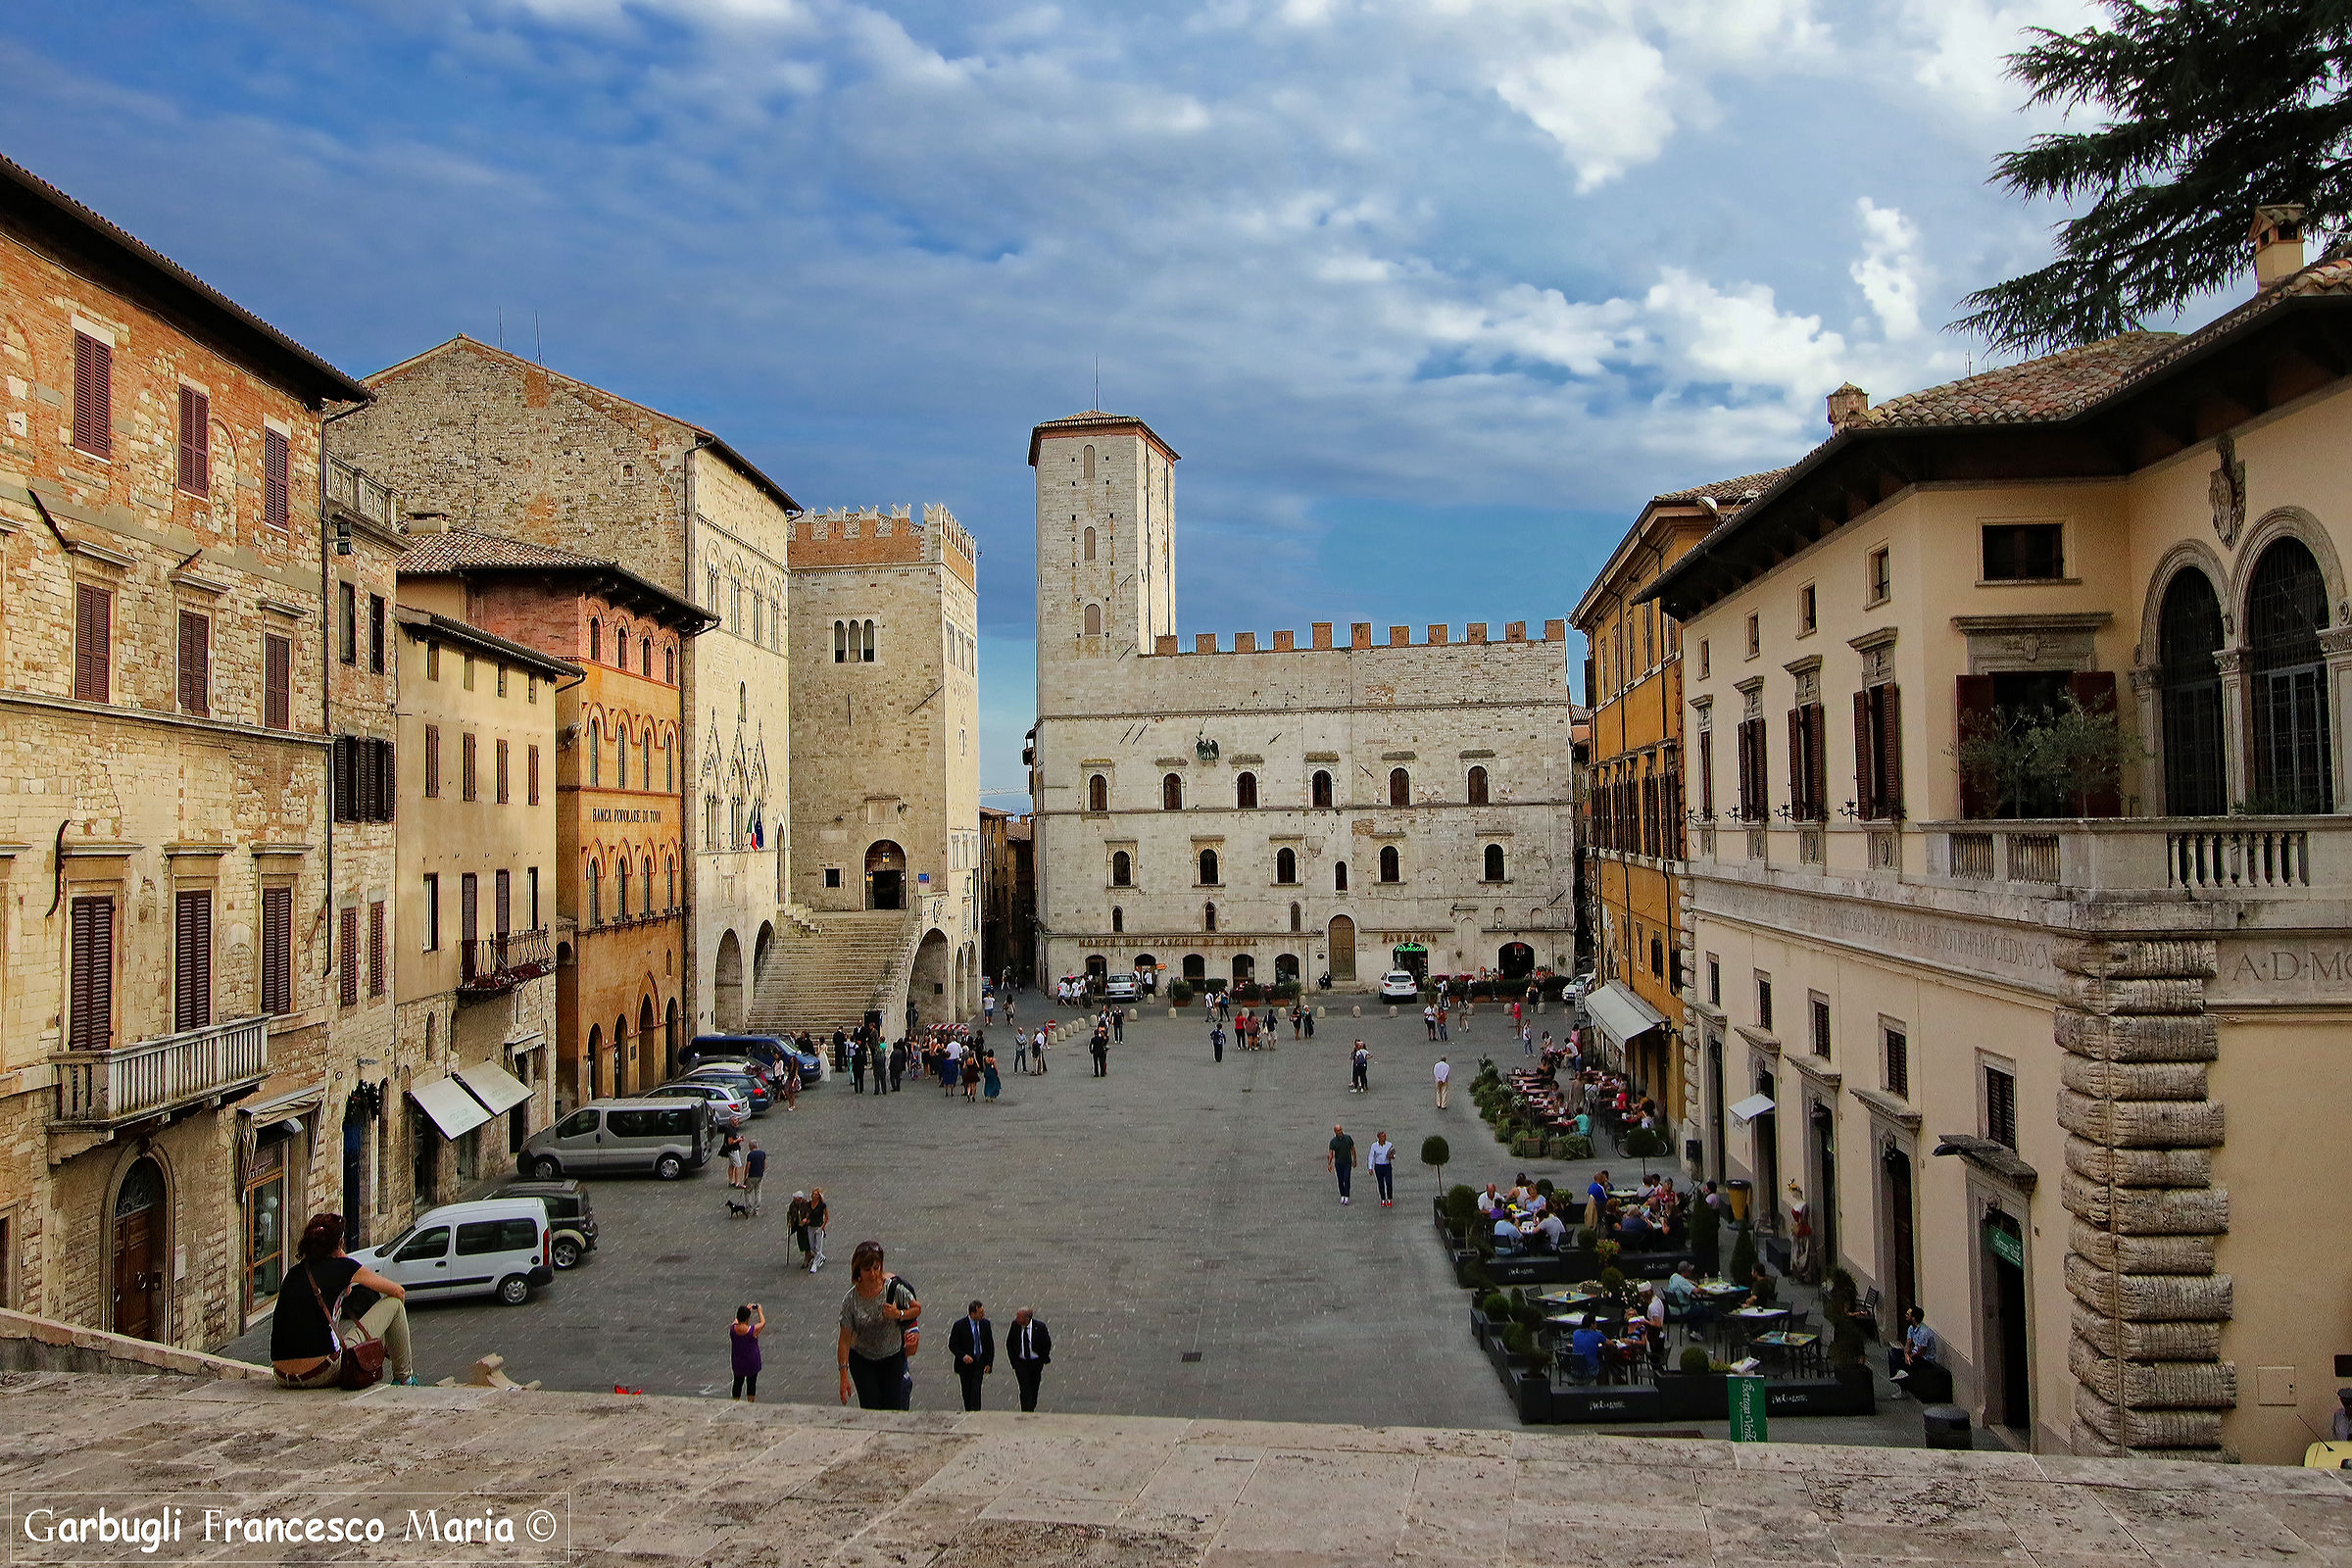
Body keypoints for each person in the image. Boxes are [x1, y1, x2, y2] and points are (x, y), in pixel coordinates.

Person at [270, 1212, 416, 1388]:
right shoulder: (344, 1267)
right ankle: (404, 1378)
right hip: (321, 1372)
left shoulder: (292, 1274)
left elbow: (344, 1291)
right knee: (394, 1304)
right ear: (339, 1243)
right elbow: (398, 1291)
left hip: (282, 1375)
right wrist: (344, 1258)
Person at [838, 1241, 920, 1410]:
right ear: (858, 1271)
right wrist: (843, 1376)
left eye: (876, 1268)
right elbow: (844, 1341)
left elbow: (916, 1308)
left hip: (892, 1357)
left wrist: (898, 1314)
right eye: (867, 1270)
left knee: (893, 1406)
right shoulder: (850, 1301)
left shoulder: (893, 1289)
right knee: (870, 1407)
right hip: (863, 1359)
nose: (873, 1274)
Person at [949, 1300, 995, 1411]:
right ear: (972, 1313)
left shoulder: (985, 1324)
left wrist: (989, 1363)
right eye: (980, 1312)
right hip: (965, 1365)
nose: (983, 1315)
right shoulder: (959, 1325)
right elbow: (952, 1345)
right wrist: (963, 1356)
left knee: (976, 1389)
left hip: (979, 1362)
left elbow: (989, 1345)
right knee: (966, 1390)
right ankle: (968, 1410)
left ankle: (975, 1411)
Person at [1007, 1307, 1053, 1411]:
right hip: (1021, 1363)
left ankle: (1031, 1407)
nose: (1016, 1319)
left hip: (1035, 1363)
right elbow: (1009, 1343)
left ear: (1027, 1319)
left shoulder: (1040, 1327)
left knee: (1034, 1387)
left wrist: (1042, 1359)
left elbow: (1047, 1343)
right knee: (1024, 1388)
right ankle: (1026, 1410)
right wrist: (1014, 1362)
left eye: (1019, 1317)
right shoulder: (1015, 1326)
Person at [1887, 1304, 1937, 1384]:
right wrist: (1906, 1354)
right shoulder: (1911, 1328)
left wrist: (1909, 1357)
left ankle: (1902, 1373)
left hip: (1926, 1359)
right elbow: (1908, 1343)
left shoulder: (1924, 1332)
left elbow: (1921, 1352)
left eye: (1908, 1314)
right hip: (1914, 1354)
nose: (1906, 1316)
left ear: (1913, 1318)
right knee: (1893, 1352)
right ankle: (1897, 1374)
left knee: (1904, 1361)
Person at [731, 1303, 764, 1400]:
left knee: (737, 1383)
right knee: (751, 1384)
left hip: (738, 1362)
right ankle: (750, 1402)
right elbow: (763, 1323)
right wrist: (759, 1311)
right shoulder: (752, 1331)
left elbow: (736, 1321)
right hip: (751, 1362)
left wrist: (745, 1310)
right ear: (748, 1318)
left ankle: (735, 1401)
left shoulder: (733, 1329)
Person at [1787, 1181, 1816, 1283]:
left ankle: (1805, 1272)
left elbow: (1803, 1219)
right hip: (1796, 1230)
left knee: (1804, 1252)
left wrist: (1797, 1225)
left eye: (1793, 1191)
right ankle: (1798, 1272)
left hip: (1803, 1230)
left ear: (1798, 1192)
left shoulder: (1804, 1205)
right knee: (1796, 1251)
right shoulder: (1797, 1204)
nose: (1792, 1194)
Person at [1327, 1124, 1355, 1205]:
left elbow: (1353, 1149)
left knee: (1346, 1178)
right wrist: (1329, 1164)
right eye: (1338, 1131)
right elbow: (1331, 1153)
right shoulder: (1333, 1142)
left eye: (1340, 1130)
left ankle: (1347, 1195)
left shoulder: (1348, 1138)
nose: (1340, 1132)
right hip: (1338, 1163)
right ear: (1335, 1132)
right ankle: (1342, 1194)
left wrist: (1354, 1159)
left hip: (1347, 1162)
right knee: (1340, 1180)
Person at [787, 1191, 815, 1270]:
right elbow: (789, 1213)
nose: (795, 1201)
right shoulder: (792, 1205)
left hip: (806, 1227)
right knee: (801, 1242)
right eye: (794, 1199)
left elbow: (810, 1213)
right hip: (798, 1226)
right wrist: (789, 1221)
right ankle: (809, 1255)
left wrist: (806, 1219)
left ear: (801, 1199)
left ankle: (807, 1258)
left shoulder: (806, 1205)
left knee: (807, 1242)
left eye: (797, 1200)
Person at [1368, 1131, 1396, 1206]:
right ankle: (1383, 1198)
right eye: (1382, 1136)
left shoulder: (1389, 1145)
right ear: (1379, 1138)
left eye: (1385, 1136)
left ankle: (1389, 1198)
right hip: (1378, 1166)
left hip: (1387, 1166)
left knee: (1389, 1182)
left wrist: (1392, 1156)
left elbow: (1393, 1153)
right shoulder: (1374, 1146)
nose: (1384, 1138)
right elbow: (1371, 1157)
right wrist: (1370, 1167)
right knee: (1380, 1183)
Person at [806, 1188, 830, 1272]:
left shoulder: (822, 1205)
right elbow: (807, 1213)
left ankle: (815, 1264)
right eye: (812, 1194)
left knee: (818, 1246)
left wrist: (823, 1226)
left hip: (818, 1226)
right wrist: (806, 1219)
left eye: (815, 1194)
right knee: (812, 1246)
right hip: (810, 1226)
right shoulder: (809, 1204)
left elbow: (827, 1216)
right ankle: (821, 1257)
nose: (813, 1195)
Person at [744, 1142, 766, 1214]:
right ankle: (756, 1208)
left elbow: (748, 1166)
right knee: (757, 1191)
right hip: (759, 1175)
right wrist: (762, 1171)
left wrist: (745, 1176)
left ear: (751, 1147)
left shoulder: (750, 1155)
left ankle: (748, 1208)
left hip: (751, 1176)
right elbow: (764, 1164)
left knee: (747, 1191)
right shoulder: (762, 1153)